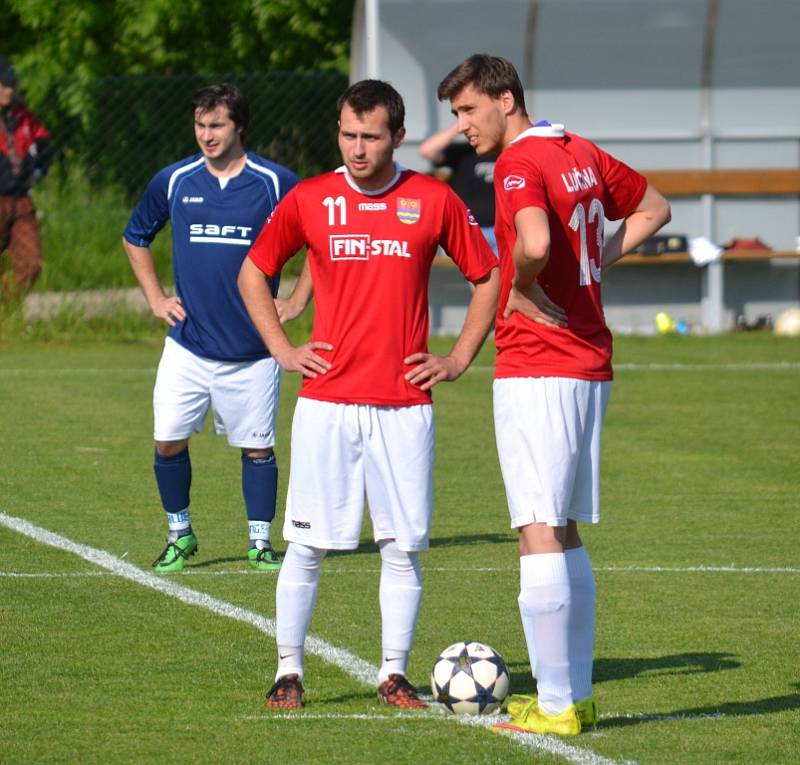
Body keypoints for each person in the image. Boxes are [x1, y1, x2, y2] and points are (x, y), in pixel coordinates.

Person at [238, 79, 499, 709]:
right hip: (326, 403)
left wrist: (460, 356)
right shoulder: (310, 198)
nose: (358, 149)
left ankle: (393, 674)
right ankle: (289, 671)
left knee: (401, 547)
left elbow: (488, 275)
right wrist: (282, 348)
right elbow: (254, 271)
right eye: (348, 136)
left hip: (404, 405)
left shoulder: (432, 200)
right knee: (305, 544)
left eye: (371, 137)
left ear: (398, 137)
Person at [437, 55, 671, 735]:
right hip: (587, 359)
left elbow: (534, 239)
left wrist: (525, 284)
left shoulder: (517, 164)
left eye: (468, 111)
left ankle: (558, 703)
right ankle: (577, 693)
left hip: (540, 363)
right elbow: (655, 209)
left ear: (505, 100)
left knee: (537, 529)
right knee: (561, 529)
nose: (462, 127)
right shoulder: (579, 148)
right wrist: (588, 265)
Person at [122, 83, 299, 573]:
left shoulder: (275, 181)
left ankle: (259, 543)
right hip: (188, 347)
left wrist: (297, 300)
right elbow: (135, 236)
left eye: (217, 125)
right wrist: (156, 298)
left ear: (239, 126)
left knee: (258, 448)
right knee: (167, 441)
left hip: (255, 349)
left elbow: (321, 239)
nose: (207, 134)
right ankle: (180, 533)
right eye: (200, 125)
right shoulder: (175, 180)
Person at [0, 55, 50, 305]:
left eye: (12, 85)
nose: (9, 90)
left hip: (20, 201)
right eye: (4, 84)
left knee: (31, 264)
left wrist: (39, 170)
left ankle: (4, 310)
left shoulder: (24, 116)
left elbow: (43, 143)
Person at [419, 121, 499, 254]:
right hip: (470, 231)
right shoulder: (462, 152)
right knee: (475, 274)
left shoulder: (506, 150)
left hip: (502, 230)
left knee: (506, 274)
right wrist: (459, 126)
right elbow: (427, 150)